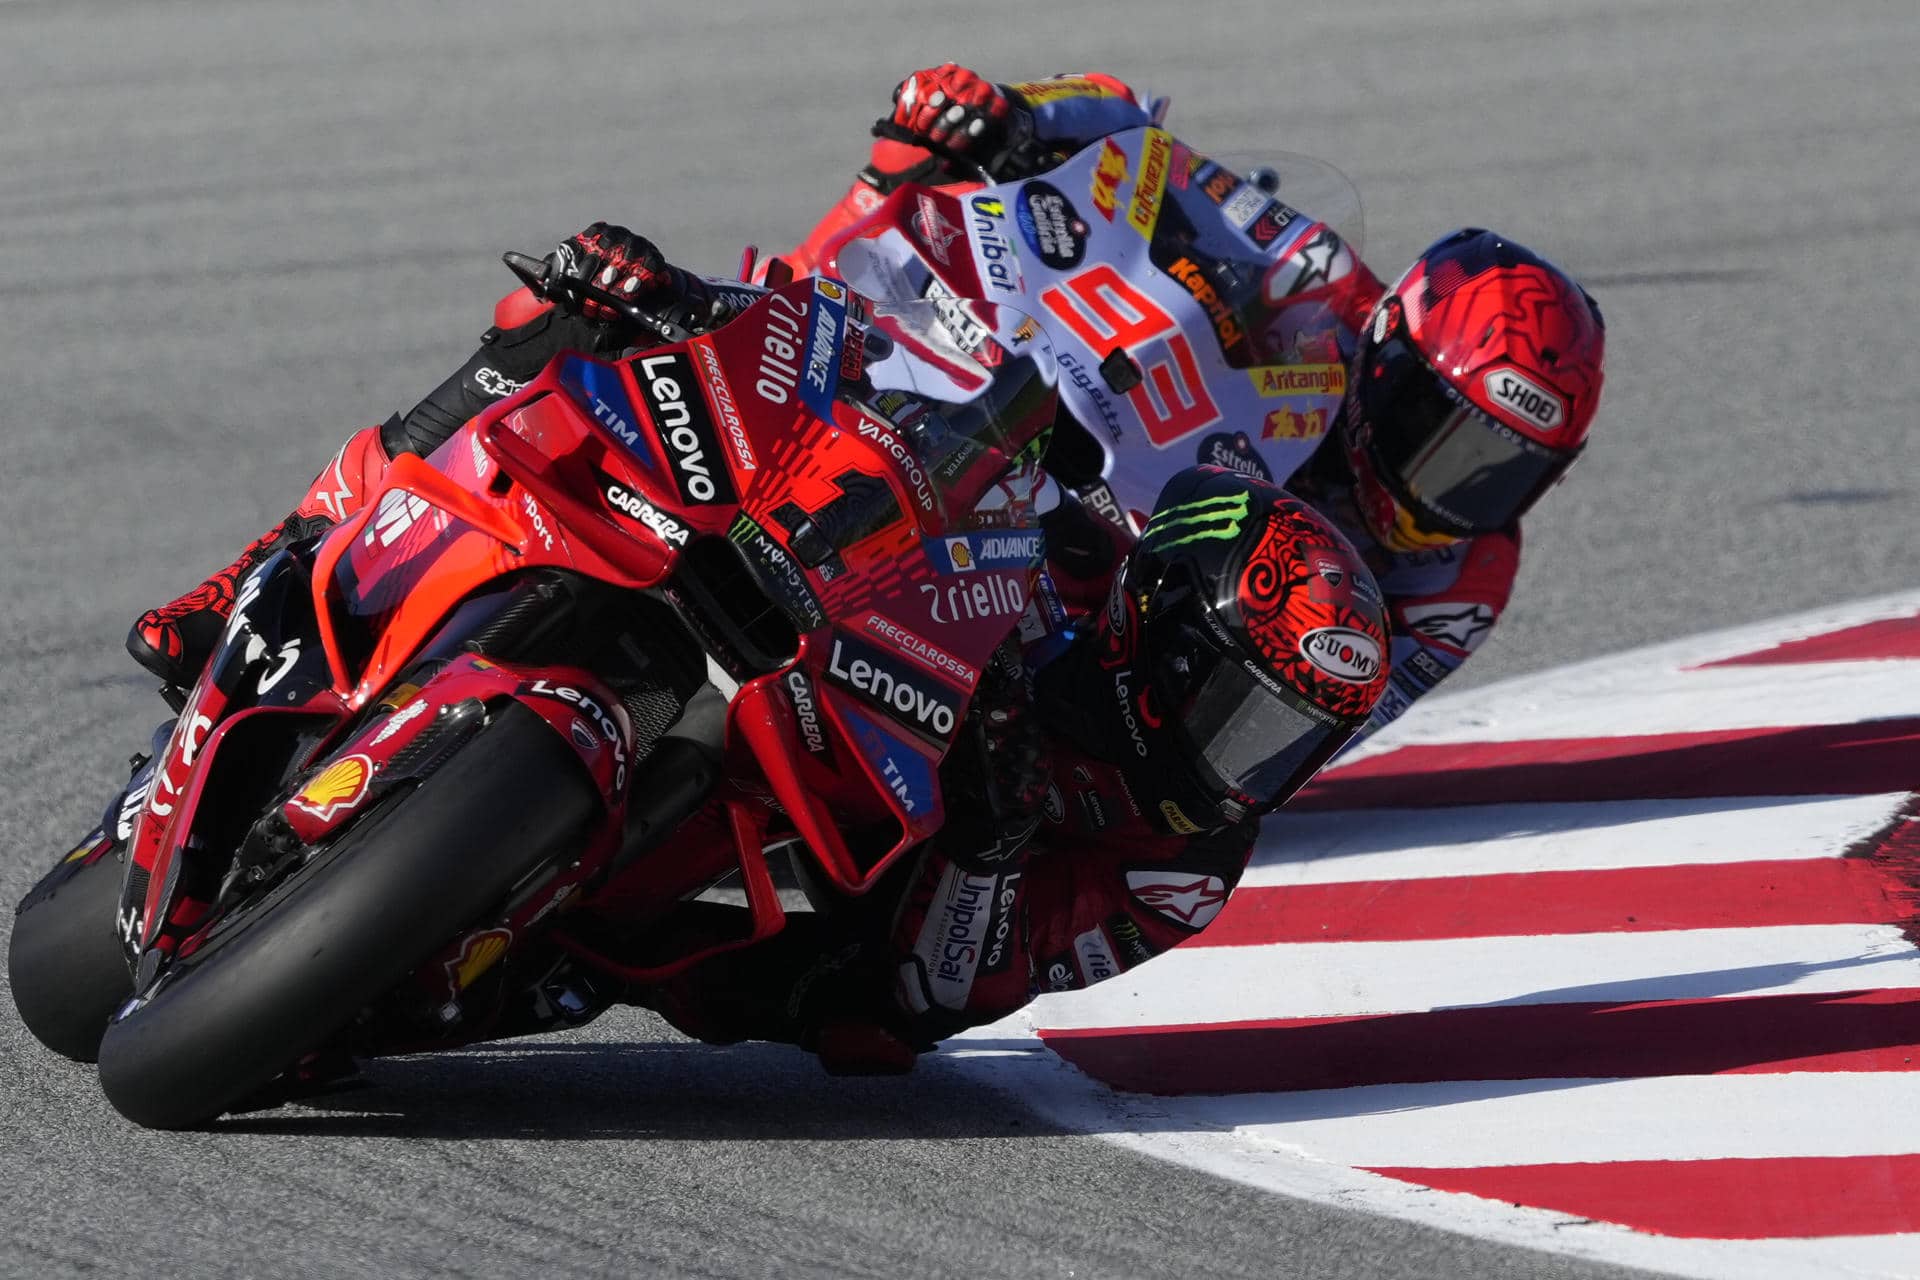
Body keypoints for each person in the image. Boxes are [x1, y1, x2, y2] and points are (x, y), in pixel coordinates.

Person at [784, 64, 1607, 740]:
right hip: (1103, 468)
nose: (1456, 494)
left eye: (1504, 472)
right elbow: (1137, 139)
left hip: (1146, 678)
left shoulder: (1467, 575)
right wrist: (1011, 121)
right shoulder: (1325, 289)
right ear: (1393, 358)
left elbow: (1322, 736)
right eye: (1448, 439)